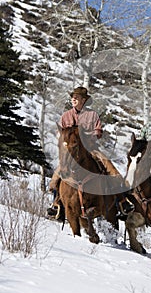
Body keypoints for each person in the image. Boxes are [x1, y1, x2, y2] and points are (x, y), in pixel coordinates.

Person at [47, 86, 134, 219]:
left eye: (76, 97)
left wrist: (89, 137)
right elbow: (59, 131)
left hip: (90, 149)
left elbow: (98, 131)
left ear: (84, 100)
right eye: (72, 97)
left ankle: (122, 201)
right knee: (59, 172)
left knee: (110, 168)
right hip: (71, 150)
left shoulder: (92, 115)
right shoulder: (66, 116)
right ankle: (56, 203)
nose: (73, 99)